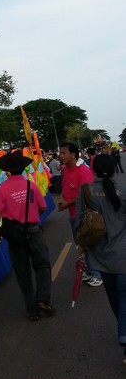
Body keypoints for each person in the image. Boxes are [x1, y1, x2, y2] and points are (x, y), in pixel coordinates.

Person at [75, 154, 126, 365]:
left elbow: (79, 223)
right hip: (123, 255)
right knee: (124, 299)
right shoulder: (123, 190)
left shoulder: (86, 192)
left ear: (93, 169)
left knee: (116, 300)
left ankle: (124, 334)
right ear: (115, 168)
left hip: (101, 258)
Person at [0, 150, 54, 321]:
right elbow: (42, 207)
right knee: (42, 266)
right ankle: (42, 299)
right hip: (33, 231)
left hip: (14, 235)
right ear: (22, 168)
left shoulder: (2, 188)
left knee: (22, 272)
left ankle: (31, 309)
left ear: (9, 170)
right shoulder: (31, 185)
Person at [58, 142, 101, 286]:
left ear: (73, 154)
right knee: (80, 244)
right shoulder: (65, 170)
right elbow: (65, 187)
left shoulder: (83, 171)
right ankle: (89, 271)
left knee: (89, 243)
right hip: (73, 215)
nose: (61, 155)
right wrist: (62, 199)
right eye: (60, 152)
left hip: (84, 215)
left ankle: (97, 274)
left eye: (64, 153)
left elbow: (86, 195)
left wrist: (67, 203)